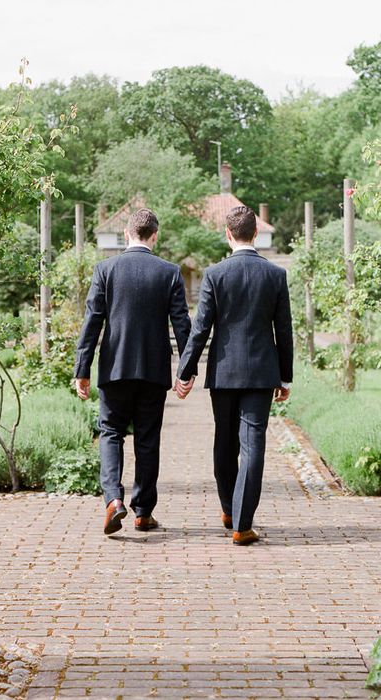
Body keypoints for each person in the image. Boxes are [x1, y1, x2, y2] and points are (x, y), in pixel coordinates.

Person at [175, 205, 293, 546]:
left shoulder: (215, 274)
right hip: (261, 373)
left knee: (224, 441)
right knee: (253, 444)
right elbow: (283, 332)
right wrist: (285, 378)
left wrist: (185, 371)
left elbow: (200, 330)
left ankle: (229, 508)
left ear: (228, 235)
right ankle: (241, 523)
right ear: (256, 234)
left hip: (224, 372)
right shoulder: (275, 275)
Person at [72, 208, 191, 536]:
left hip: (115, 367)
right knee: (148, 439)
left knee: (110, 432)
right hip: (153, 371)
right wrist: (187, 369)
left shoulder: (105, 269)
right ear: (155, 235)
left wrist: (82, 369)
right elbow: (182, 324)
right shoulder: (169, 272)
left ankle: (113, 500)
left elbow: (92, 322)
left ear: (127, 233)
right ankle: (142, 513)